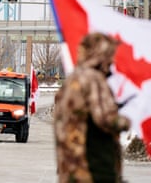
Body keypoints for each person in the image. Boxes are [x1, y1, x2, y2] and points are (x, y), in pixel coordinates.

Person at [54, 32, 131, 183]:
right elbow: (105, 118)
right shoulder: (93, 78)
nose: (111, 61)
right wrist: (125, 121)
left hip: (70, 167)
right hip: (94, 167)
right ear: (100, 54)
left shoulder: (72, 80)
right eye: (109, 55)